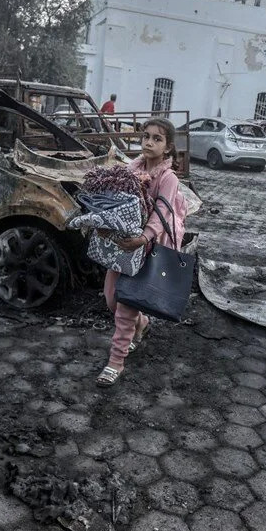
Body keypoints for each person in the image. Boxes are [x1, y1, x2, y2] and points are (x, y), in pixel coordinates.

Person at [96, 117, 186, 387]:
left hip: (149, 246)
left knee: (126, 305)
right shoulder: (130, 168)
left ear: (168, 147)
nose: (149, 142)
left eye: (157, 139)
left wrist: (143, 238)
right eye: (146, 136)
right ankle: (142, 324)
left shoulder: (168, 178)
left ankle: (116, 362)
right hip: (124, 244)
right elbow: (116, 202)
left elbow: (160, 215)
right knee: (112, 299)